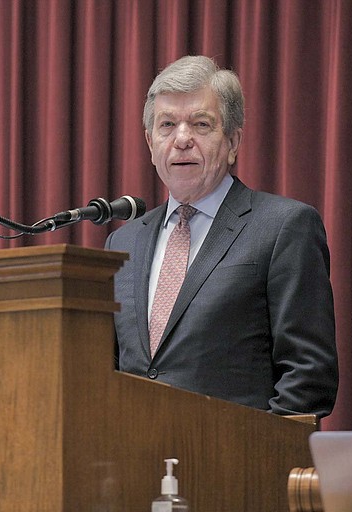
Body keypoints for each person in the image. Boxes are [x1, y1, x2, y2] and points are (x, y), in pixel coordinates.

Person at [104, 55, 338, 418]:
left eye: (201, 124)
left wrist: (251, 458)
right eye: (167, 125)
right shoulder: (122, 243)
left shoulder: (284, 227)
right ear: (150, 144)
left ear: (233, 141)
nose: (182, 139)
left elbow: (308, 376)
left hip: (236, 465)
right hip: (136, 462)